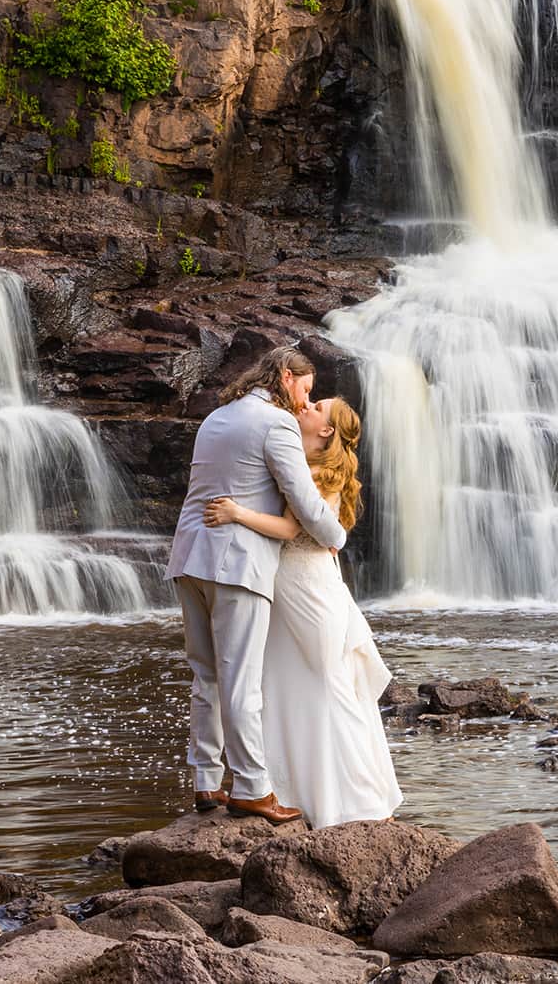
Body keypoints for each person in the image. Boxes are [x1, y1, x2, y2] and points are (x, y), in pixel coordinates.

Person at [166, 346, 348, 824]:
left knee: (205, 675)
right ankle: (251, 788)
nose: (306, 402)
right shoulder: (276, 423)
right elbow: (304, 501)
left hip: (189, 556)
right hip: (237, 566)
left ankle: (206, 782)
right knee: (241, 680)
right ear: (287, 377)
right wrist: (337, 535)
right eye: (306, 390)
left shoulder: (218, 416)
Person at [203, 397, 403, 828]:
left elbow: (293, 529)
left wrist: (237, 513)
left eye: (317, 407)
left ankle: (354, 801)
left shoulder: (317, 473)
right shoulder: (299, 459)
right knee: (285, 682)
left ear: (327, 430)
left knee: (324, 685)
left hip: (308, 589)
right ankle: (292, 791)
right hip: (290, 583)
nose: (306, 406)